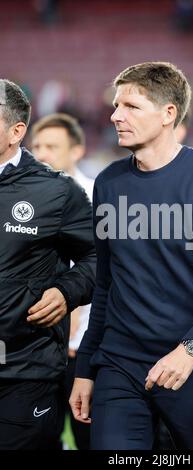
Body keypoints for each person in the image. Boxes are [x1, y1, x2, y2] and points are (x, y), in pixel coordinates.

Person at [69, 61, 193, 450]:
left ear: (169, 113)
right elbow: (106, 282)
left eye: (131, 107)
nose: (116, 116)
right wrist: (86, 368)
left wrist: (190, 350)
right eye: (116, 106)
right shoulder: (109, 182)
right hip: (119, 366)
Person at [0, 79, 96, 450]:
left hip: (24, 371)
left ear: (16, 131)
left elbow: (100, 257)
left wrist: (66, 290)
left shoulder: (56, 191)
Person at [30, 113, 94, 449]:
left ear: (77, 150)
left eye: (52, 146)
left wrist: (79, 328)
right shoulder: (19, 201)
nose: (41, 154)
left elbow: (103, 272)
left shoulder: (99, 198)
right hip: (34, 349)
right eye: (36, 146)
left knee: (90, 437)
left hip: (83, 349)